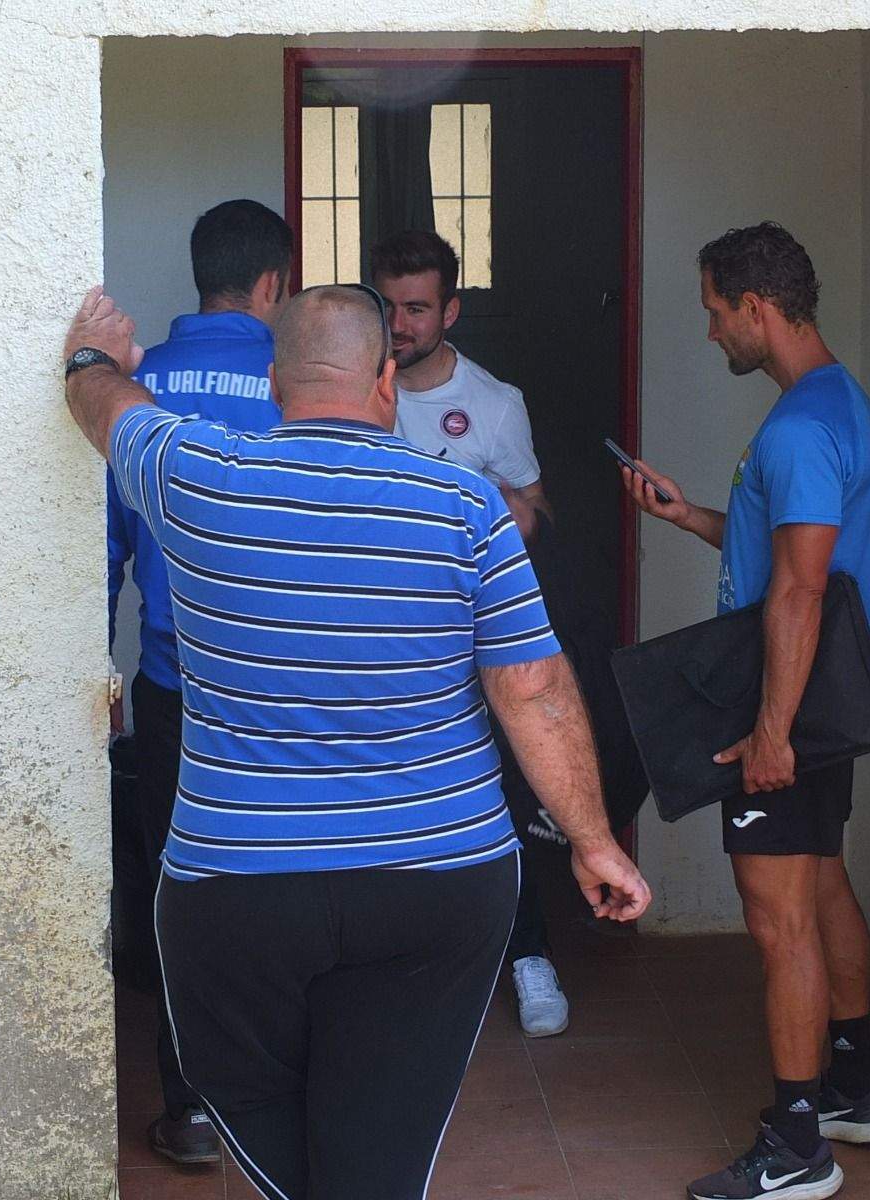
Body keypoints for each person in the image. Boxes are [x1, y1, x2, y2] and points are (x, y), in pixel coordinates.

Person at [65, 282, 652, 1200]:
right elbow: (532, 688)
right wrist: (594, 840)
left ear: (274, 381)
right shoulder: (465, 507)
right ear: (385, 379)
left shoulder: (195, 474)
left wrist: (91, 357)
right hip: (435, 885)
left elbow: (110, 412)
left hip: (238, 894)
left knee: (262, 1114)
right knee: (377, 1151)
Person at [621, 223, 870, 1200]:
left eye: (712, 312)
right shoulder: (834, 401)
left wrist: (771, 729)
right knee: (820, 886)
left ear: (756, 308)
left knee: (778, 921)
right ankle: (853, 1089)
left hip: (791, 698)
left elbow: (798, 591)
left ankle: (796, 1145)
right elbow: (777, 552)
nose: (709, 334)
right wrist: (689, 513)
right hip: (827, 688)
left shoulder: (798, 429)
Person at [106, 198, 293, 1166]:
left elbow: (97, 560)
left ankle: (187, 1108)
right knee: (289, 888)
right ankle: (278, 1097)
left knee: (182, 893)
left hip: (174, 690)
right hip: (284, 698)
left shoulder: (136, 391)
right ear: (272, 285)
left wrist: (95, 688)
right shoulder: (303, 386)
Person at [370, 229, 570, 1038]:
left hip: (472, 644)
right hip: (380, 644)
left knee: (502, 799)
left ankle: (529, 957)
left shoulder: (494, 403)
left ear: (449, 308)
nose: (400, 323)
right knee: (386, 803)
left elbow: (539, 516)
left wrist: (494, 508)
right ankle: (398, 973)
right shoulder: (352, 391)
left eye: (417, 307)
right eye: (385, 305)